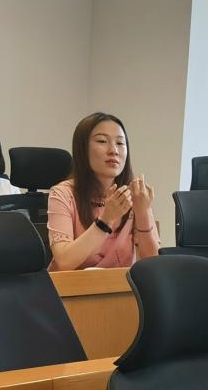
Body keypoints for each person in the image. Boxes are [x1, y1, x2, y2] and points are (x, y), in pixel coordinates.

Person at [47, 112, 160, 271]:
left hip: (118, 285)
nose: (113, 150)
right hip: (72, 285)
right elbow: (64, 262)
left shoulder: (135, 195)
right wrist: (106, 220)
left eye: (120, 143)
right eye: (102, 141)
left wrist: (143, 212)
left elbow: (154, 266)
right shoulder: (62, 194)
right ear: (82, 149)